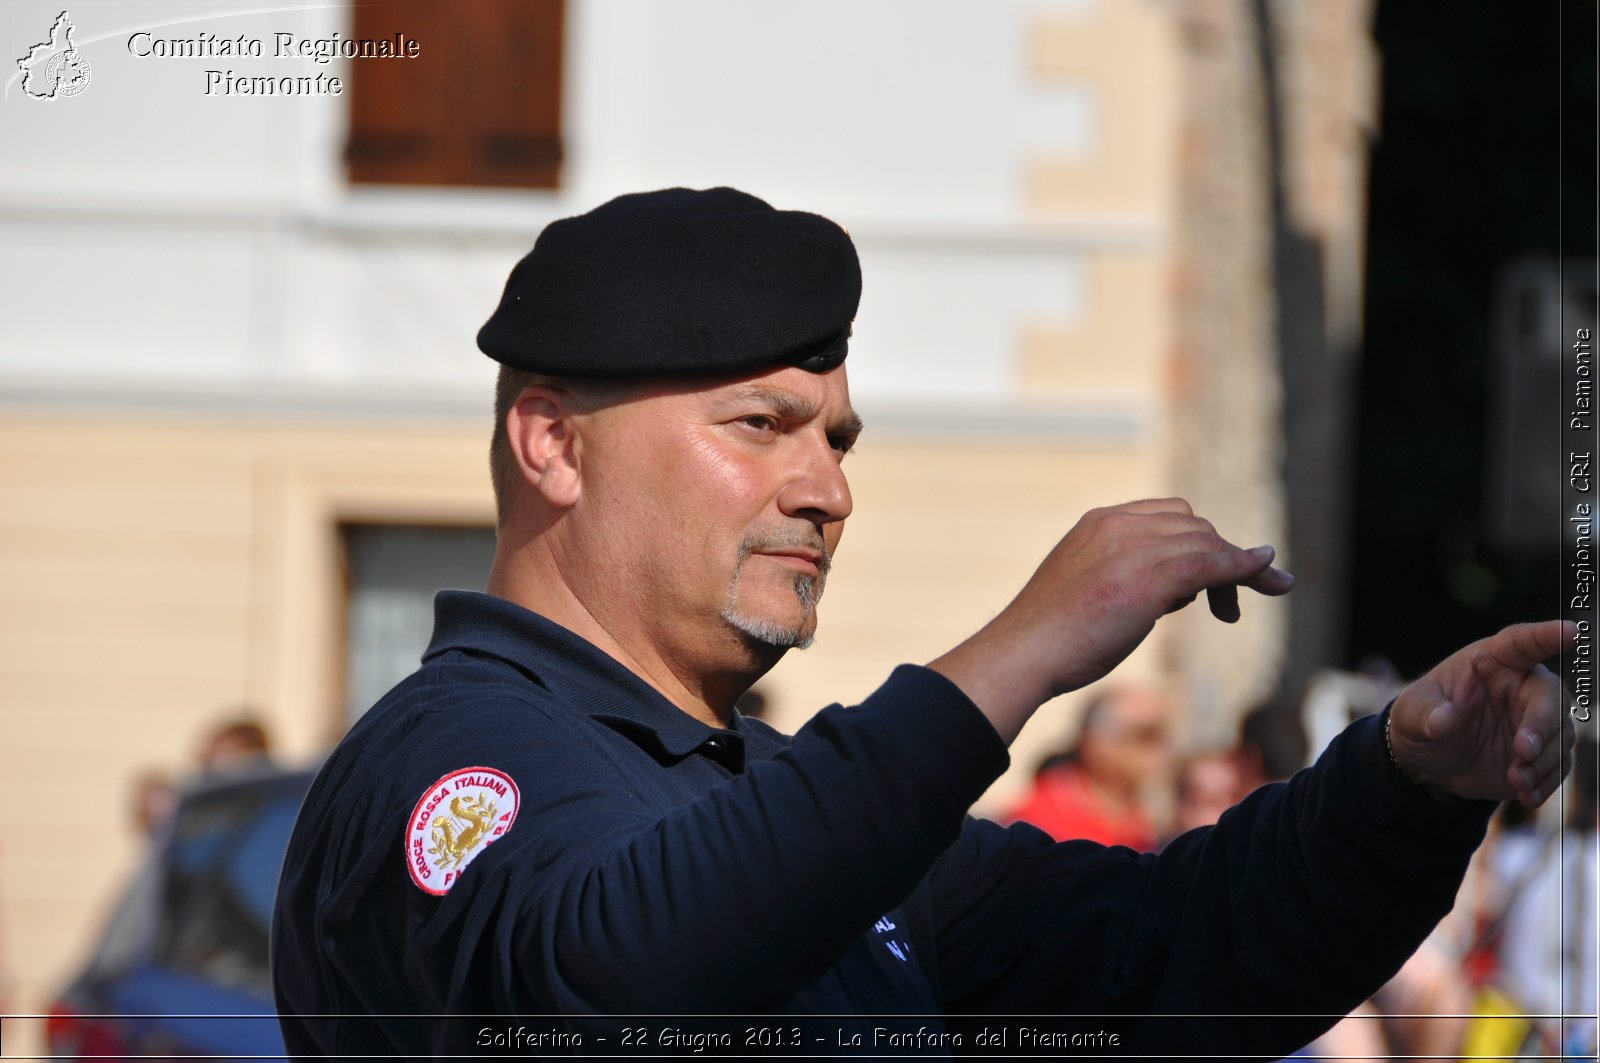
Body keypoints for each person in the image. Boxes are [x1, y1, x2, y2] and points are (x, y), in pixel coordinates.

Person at [270, 187, 1577, 1059]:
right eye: (759, 425)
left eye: (836, 438)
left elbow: (1196, 954)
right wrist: (1014, 657)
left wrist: (1407, 782)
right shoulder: (446, 756)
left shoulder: (787, 804)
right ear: (553, 441)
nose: (825, 487)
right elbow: (613, 985)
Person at [999, 687, 1171, 850]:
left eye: (1162, 738)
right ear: (1096, 743)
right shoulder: (1035, 822)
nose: (1160, 752)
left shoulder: (1146, 823)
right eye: (1146, 737)